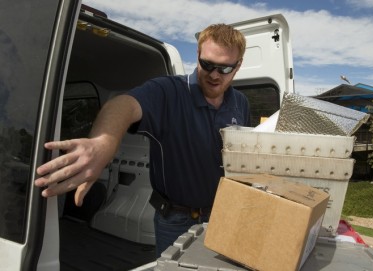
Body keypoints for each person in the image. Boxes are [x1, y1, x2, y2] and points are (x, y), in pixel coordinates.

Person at [34, 23, 250, 256]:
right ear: (197, 55)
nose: (215, 75)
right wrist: (102, 143)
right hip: (175, 220)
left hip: (222, 215)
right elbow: (122, 105)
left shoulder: (240, 103)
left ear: (238, 66)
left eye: (225, 69)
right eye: (207, 64)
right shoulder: (168, 91)